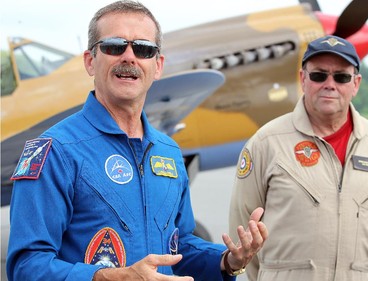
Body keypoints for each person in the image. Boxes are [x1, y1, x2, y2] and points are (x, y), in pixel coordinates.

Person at [6, 1, 268, 281]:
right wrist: (113, 277)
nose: (129, 57)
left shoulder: (168, 151)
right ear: (90, 61)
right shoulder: (55, 150)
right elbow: (27, 267)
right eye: (115, 45)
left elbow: (178, 246)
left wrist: (227, 260)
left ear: (158, 66)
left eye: (143, 49)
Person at [229, 34, 368, 281]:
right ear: (302, 79)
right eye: (319, 75)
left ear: (356, 83)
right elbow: (242, 234)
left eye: (341, 77)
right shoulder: (267, 142)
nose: (330, 84)